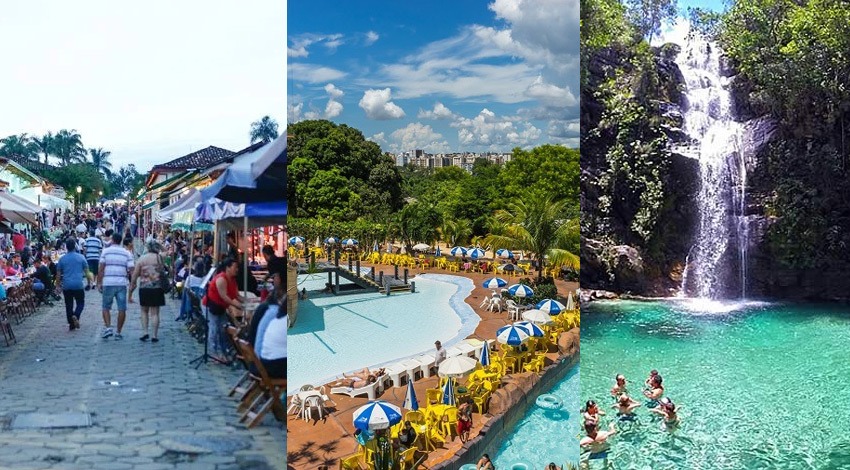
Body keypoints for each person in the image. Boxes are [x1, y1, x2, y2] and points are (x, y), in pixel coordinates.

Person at [246, 267, 286, 379]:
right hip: (262, 363)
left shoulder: (271, 309)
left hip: (258, 360)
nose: (274, 280)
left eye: (275, 277)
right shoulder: (274, 312)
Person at [203, 258, 244, 360]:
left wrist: (249, 301)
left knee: (223, 329)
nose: (237, 269)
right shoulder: (221, 279)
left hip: (220, 307)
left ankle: (224, 351)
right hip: (211, 306)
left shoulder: (233, 279)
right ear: (228, 268)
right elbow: (225, 297)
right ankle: (214, 354)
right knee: (214, 329)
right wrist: (239, 306)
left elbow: (236, 295)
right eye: (235, 267)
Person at [97, 232, 134, 340]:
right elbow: (132, 269)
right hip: (121, 283)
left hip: (108, 282)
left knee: (105, 307)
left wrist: (99, 282)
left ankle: (108, 327)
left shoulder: (105, 252)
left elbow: (101, 268)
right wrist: (133, 283)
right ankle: (118, 332)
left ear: (112, 240)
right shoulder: (126, 253)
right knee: (122, 308)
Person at [128, 239, 167, 343]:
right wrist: (160, 245)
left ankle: (145, 332)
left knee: (144, 311)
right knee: (155, 313)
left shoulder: (141, 259)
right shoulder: (160, 257)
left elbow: (134, 276)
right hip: (157, 288)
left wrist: (131, 291)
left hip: (144, 287)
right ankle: (154, 335)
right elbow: (166, 251)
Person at [56, 239, 89, 331]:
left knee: (69, 305)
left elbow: (58, 274)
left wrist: (57, 286)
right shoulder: (81, 257)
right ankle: (76, 315)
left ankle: (71, 324)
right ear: (75, 246)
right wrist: (90, 282)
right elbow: (87, 272)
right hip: (78, 284)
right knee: (80, 303)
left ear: (66, 247)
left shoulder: (62, 259)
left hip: (67, 285)